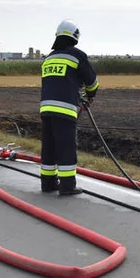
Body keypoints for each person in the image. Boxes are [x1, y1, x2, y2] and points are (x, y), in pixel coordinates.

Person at [39, 20, 99, 195]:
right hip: (65, 110)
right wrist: (90, 96)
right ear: (75, 37)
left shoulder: (48, 58)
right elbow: (92, 82)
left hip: (46, 109)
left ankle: (48, 184)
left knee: (49, 148)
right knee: (66, 148)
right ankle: (67, 186)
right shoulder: (77, 55)